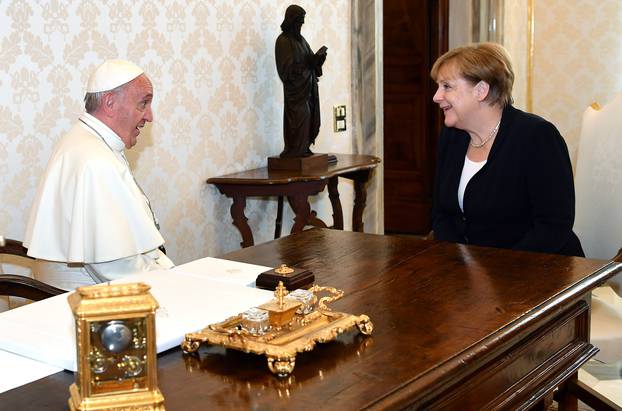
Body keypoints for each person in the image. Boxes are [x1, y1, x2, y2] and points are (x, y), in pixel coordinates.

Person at [23, 59, 174, 290]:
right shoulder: (94, 159)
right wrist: (172, 279)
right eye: (143, 104)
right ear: (110, 103)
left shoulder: (86, 141)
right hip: (85, 305)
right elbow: (114, 266)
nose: (149, 116)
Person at [430, 43, 584, 257]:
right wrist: (459, 263)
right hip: (469, 273)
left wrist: (498, 270)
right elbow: (442, 215)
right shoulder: (452, 137)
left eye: (447, 86)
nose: (436, 96)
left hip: (539, 269)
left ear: (481, 91)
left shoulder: (537, 137)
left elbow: (553, 226)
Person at [275, 4, 327, 158]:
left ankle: (304, 147)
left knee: (310, 117)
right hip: (296, 94)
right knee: (300, 118)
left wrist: (318, 60)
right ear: (291, 21)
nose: (300, 26)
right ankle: (295, 150)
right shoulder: (283, 41)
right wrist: (307, 64)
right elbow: (286, 71)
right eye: (298, 23)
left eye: (302, 23)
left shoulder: (302, 41)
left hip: (308, 89)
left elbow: (311, 60)